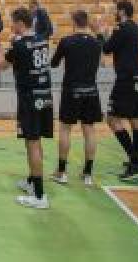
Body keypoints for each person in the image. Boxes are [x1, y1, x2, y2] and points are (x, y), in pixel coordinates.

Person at [0, 7, 53, 209]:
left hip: (29, 98)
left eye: (13, 22)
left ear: (20, 23)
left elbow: (1, 65)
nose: (11, 26)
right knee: (35, 142)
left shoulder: (19, 45)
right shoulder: (42, 40)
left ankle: (40, 196)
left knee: (32, 143)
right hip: (45, 96)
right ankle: (32, 182)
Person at [92, 1, 138, 181]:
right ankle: (136, 160)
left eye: (116, 10)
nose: (115, 12)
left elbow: (106, 49)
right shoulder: (136, 28)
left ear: (122, 11)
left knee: (112, 119)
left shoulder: (121, 28)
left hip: (126, 80)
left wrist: (99, 32)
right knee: (136, 120)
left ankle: (135, 162)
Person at [50, 10, 102, 186]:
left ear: (73, 22)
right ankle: (87, 174)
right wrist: (98, 31)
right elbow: (103, 44)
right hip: (91, 91)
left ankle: (61, 172)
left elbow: (54, 63)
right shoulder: (96, 43)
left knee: (65, 129)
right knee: (89, 130)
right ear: (87, 22)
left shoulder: (66, 41)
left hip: (71, 90)